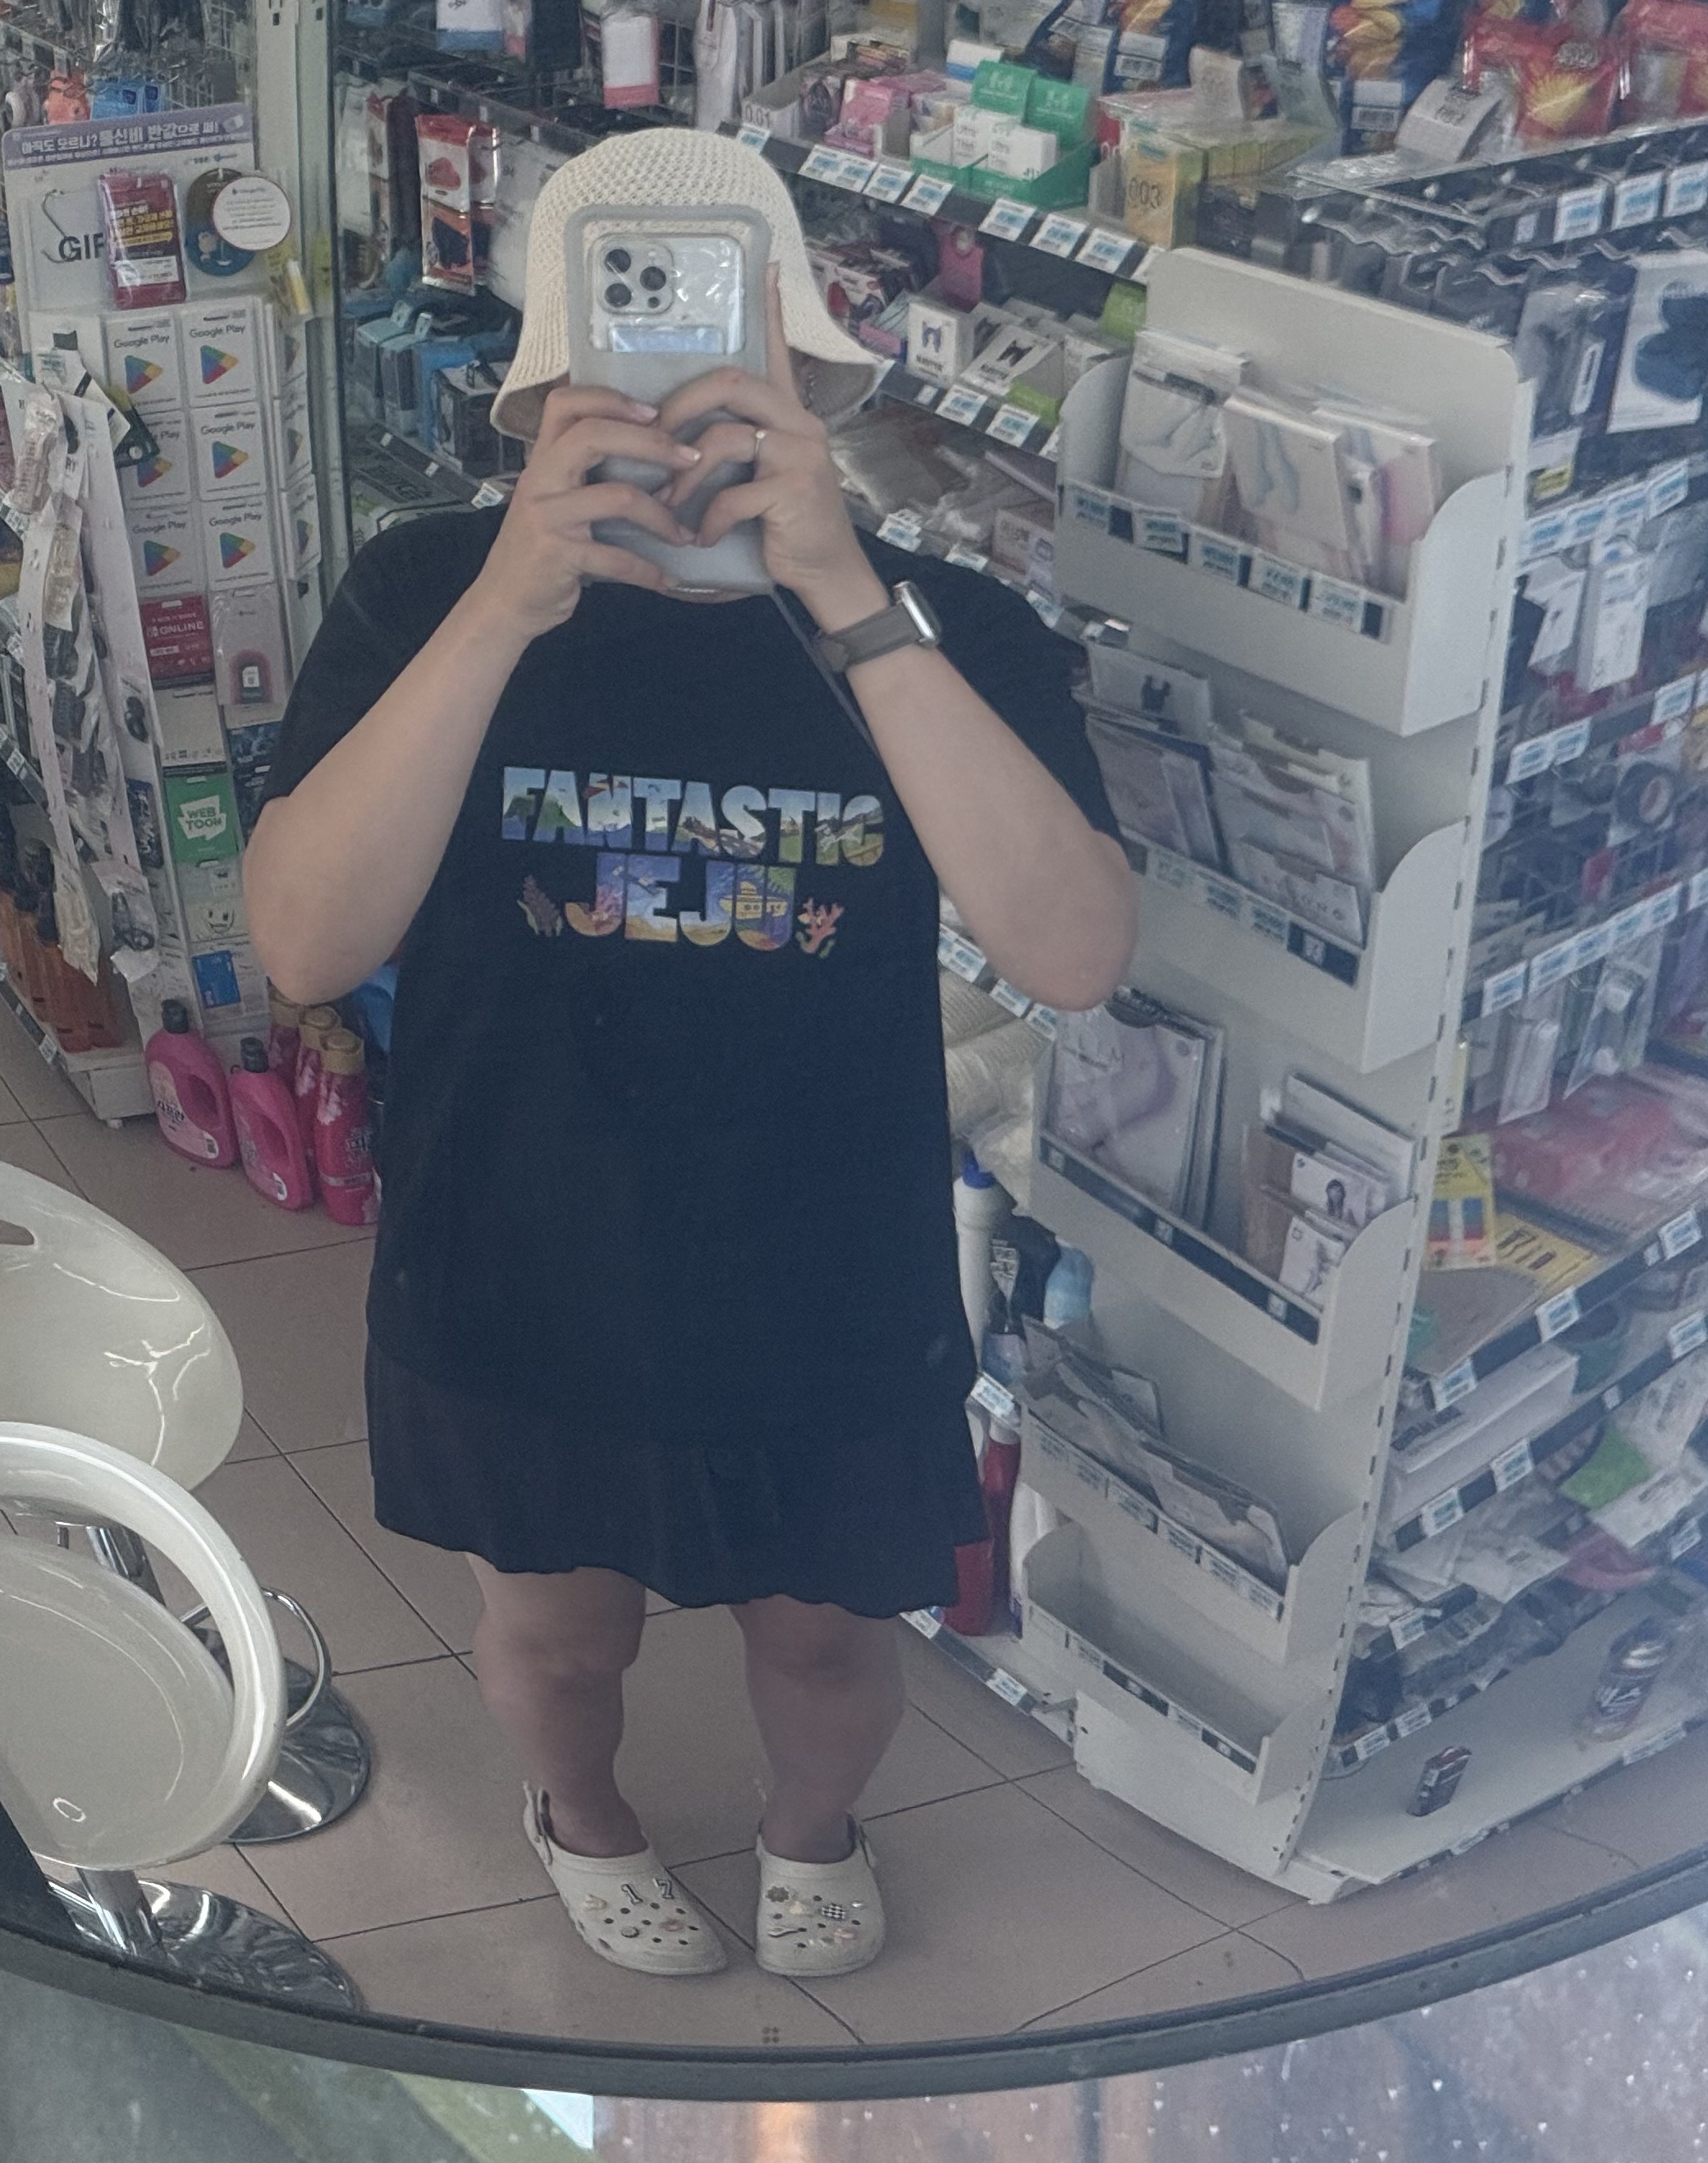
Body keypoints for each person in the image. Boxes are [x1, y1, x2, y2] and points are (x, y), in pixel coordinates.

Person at [245, 129, 1131, 1981]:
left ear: (801, 368)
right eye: (620, 357)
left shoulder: (944, 627)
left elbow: (1071, 951)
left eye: (733, 354)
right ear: (545, 388)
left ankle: (815, 1830)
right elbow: (306, 944)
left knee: (827, 1639)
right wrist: (509, 602)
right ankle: (579, 1815)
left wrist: (851, 602)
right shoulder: (428, 592)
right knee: (559, 1638)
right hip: (517, 1247)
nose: (674, 404)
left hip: (829, 1261)